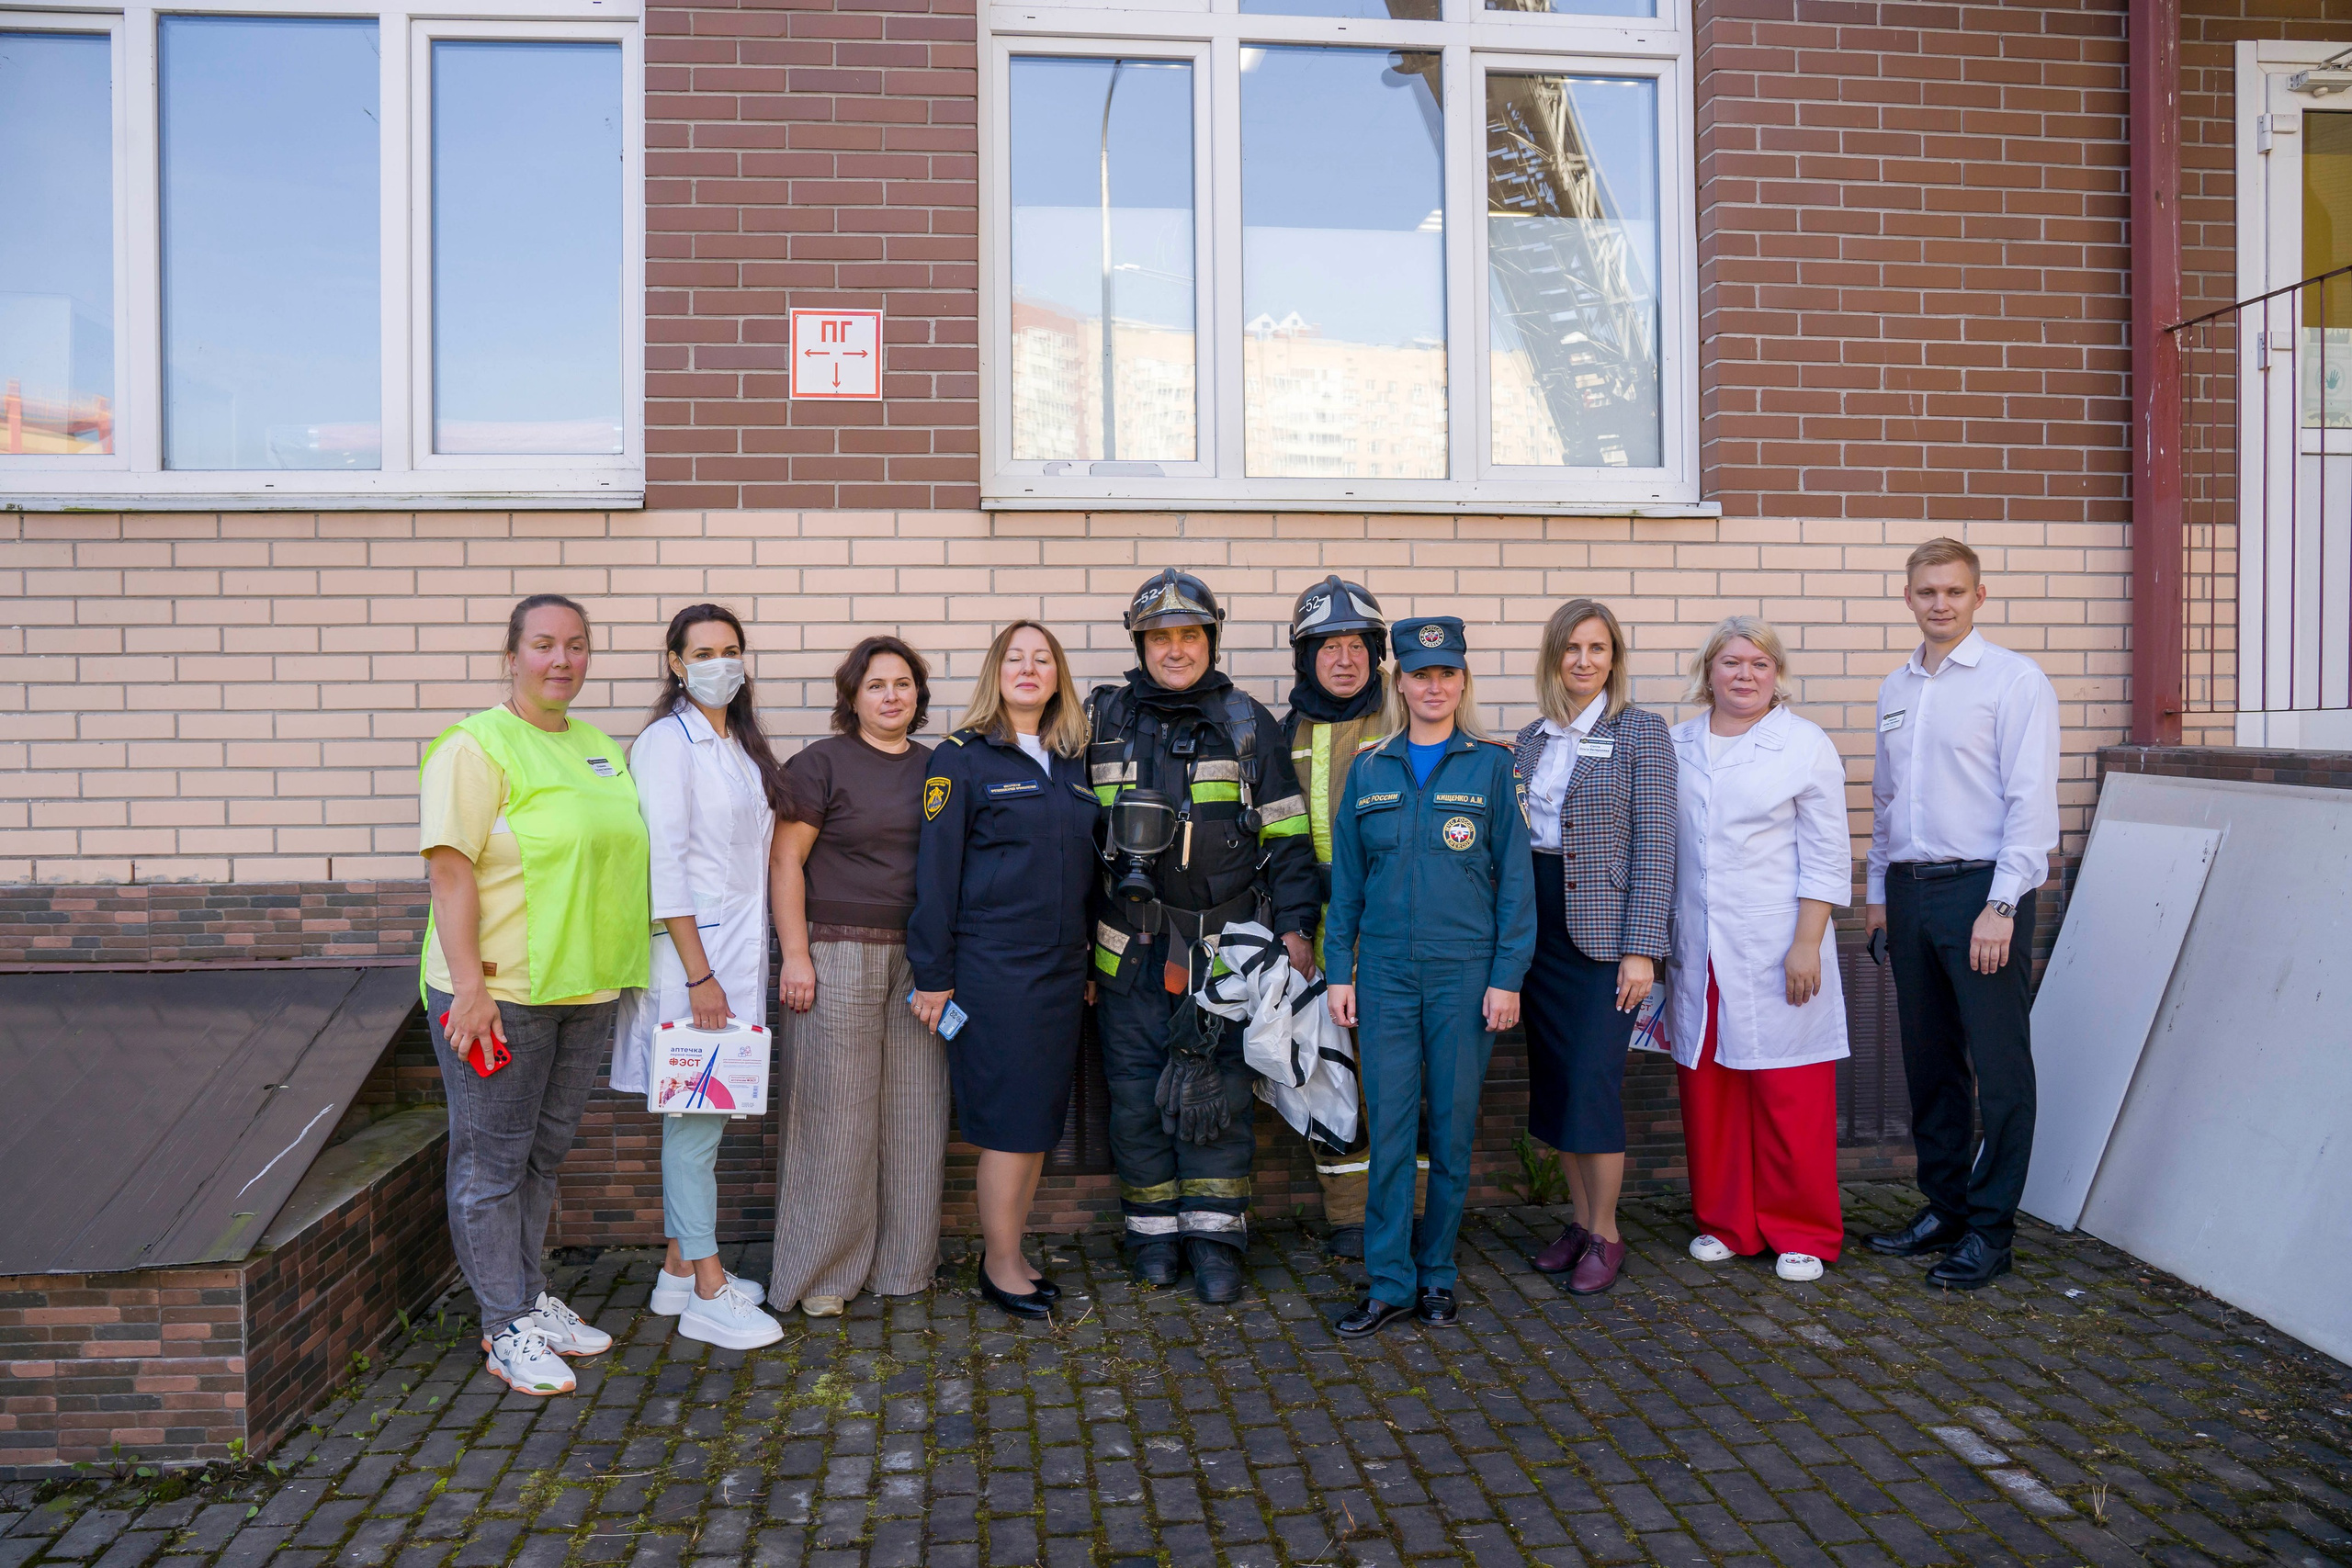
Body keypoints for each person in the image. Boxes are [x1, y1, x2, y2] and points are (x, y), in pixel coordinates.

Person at [419, 593, 643, 1396]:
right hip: (500, 993)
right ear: (511, 655)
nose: (562, 660)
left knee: (542, 1156)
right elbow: (449, 871)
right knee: (491, 1163)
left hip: (580, 987)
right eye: (544, 645)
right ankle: (502, 1323)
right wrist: (470, 990)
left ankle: (528, 1297)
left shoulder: (596, 747)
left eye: (577, 646)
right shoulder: (475, 746)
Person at [1085, 570, 1319, 1305]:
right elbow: (1067, 842)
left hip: (1224, 956)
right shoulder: (1102, 720)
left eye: (1190, 635)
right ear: (1141, 643)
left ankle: (1216, 1239)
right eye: (1161, 637)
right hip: (1125, 952)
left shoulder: (1249, 722)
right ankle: (1151, 1236)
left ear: (1211, 641)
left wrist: (1294, 928)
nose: (1176, 649)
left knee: (1215, 1097)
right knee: (1134, 1099)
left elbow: (1287, 836)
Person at [1324, 616, 1535, 1337]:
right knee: (1388, 1133)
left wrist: (1506, 977)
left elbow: (1516, 886)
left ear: (1463, 681)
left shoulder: (1491, 767)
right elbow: (1348, 881)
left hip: (1465, 973)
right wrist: (1337, 971)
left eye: (1447, 673)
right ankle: (1389, 1281)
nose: (1434, 685)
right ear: (1401, 682)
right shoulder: (1371, 767)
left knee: (1449, 1132)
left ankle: (1437, 1274)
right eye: (1421, 673)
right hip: (1382, 974)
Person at [1863, 537, 2060, 1290]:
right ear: (1908, 598)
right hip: (1910, 892)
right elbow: (1886, 803)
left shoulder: (2015, 681)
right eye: (1925, 592)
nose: (1939, 603)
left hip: (1985, 890)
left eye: (1953, 591)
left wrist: (2003, 902)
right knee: (1930, 1060)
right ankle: (1944, 1206)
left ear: (1979, 596)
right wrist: (1879, 894)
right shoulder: (1896, 687)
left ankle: (1991, 1230)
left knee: (2000, 1066)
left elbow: (2030, 803)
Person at [611, 604, 793, 1351]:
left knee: (704, 1126)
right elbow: (664, 866)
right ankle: (711, 1291)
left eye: (732, 649)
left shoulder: (738, 745)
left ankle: (677, 1272)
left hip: (733, 962)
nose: (722, 661)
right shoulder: (665, 743)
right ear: (676, 664)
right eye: (705, 651)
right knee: (694, 1129)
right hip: (694, 968)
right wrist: (700, 974)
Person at [909, 621, 1100, 1320]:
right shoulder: (961, 759)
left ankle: (1013, 1252)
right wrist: (933, 972)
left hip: (1059, 968)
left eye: (1042, 658)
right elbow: (936, 873)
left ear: (1057, 676)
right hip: (993, 967)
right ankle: (997, 1262)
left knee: (1039, 1118)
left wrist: (1084, 957)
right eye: (1016, 658)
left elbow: (1086, 871)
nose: (1029, 669)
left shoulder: (1073, 761)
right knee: (1011, 1121)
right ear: (997, 671)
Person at [1666, 617, 1853, 1283]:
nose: (1744, 674)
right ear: (1707, 671)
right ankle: (1727, 1221)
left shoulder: (1803, 744)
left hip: (1779, 944)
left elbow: (1828, 852)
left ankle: (1802, 1228)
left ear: (1777, 675)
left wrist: (1807, 942)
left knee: (1787, 1087)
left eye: (1760, 664)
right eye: (1731, 662)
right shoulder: (1676, 742)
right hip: (1700, 945)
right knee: (1710, 1088)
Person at [768, 637, 948, 1318]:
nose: (891, 696)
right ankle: (824, 1274)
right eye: (876, 685)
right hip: (835, 952)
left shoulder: (939, 770)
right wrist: (797, 954)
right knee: (834, 1115)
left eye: (902, 684)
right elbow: (786, 864)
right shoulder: (819, 765)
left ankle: (903, 1265)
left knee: (915, 1110)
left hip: (921, 962)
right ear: (852, 696)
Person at [1510, 597, 1675, 1296]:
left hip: (1605, 938)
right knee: (1556, 1084)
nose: (1584, 661)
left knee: (1592, 1083)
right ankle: (1579, 1223)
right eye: (1571, 648)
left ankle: (1608, 1232)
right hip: (1538, 926)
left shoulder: (1640, 731)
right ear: (1553, 657)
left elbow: (1659, 844)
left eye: (1598, 648)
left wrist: (1641, 950)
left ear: (1615, 658)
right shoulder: (1530, 739)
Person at [1277, 576, 1388, 1260]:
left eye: (1357, 645)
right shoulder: (1280, 730)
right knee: (1330, 1072)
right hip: (1314, 929)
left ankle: (1407, 1213)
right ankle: (1348, 1213)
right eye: (1328, 647)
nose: (1344, 660)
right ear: (1305, 657)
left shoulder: (1406, 717)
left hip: (1395, 927)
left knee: (1404, 1077)